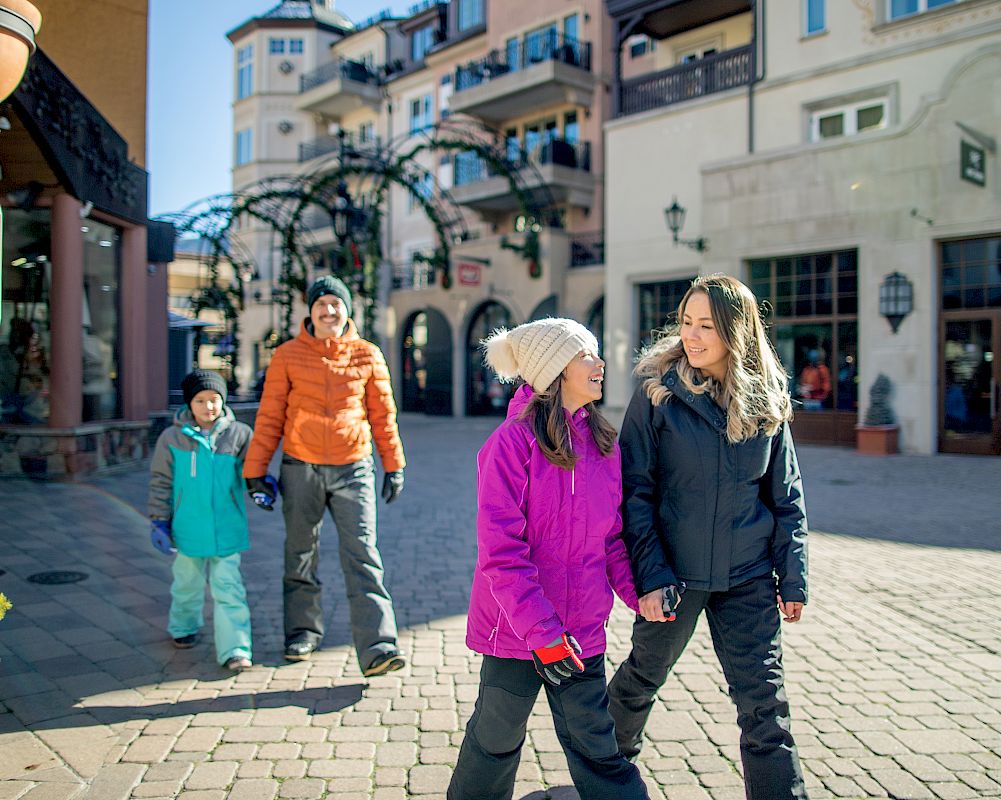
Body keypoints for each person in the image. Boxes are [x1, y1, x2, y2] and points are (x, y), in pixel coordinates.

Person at [608, 274, 810, 800]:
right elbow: (636, 495)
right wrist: (651, 576)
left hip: (747, 577)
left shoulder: (767, 400)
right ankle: (605, 771)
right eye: (687, 323)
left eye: (707, 326)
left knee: (765, 705)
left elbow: (785, 495)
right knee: (641, 678)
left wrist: (793, 577)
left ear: (735, 332)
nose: (692, 336)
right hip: (675, 576)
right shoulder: (657, 394)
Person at [448, 318, 649, 800]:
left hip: (580, 633)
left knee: (599, 750)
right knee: (495, 743)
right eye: (586, 356)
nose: (600, 364)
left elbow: (613, 539)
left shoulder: (603, 445)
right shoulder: (510, 445)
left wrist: (641, 595)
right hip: (517, 634)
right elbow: (501, 556)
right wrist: (543, 635)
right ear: (554, 370)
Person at [243, 275, 408, 678]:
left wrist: (394, 464)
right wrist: (255, 471)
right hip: (301, 467)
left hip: (354, 468)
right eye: (322, 304)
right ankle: (302, 632)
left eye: (336, 303)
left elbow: (383, 415)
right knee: (300, 553)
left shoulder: (368, 354)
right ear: (310, 310)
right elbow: (269, 417)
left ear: (346, 309)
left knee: (363, 555)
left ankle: (379, 647)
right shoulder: (286, 355)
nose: (329, 310)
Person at [148, 370, 255, 672]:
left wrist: (262, 488)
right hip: (187, 529)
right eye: (201, 400)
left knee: (229, 588)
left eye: (214, 399)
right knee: (186, 583)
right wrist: (159, 519)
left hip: (227, 528)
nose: (209, 407)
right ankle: (183, 626)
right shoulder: (171, 438)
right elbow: (160, 481)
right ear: (189, 404)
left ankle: (235, 648)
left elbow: (252, 472)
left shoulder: (239, 434)